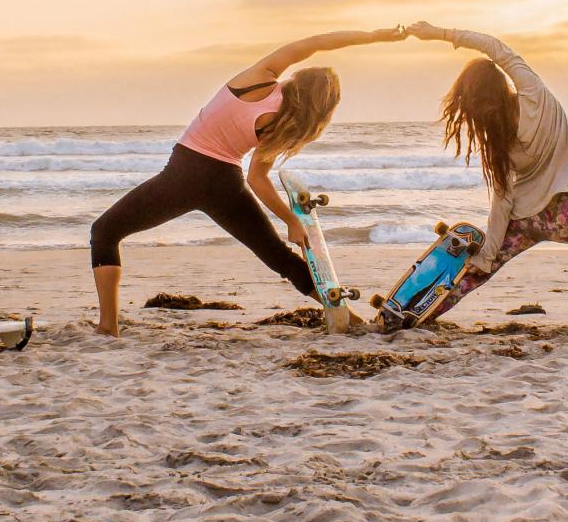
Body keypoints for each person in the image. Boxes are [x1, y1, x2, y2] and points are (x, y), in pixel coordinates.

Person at [87, 26, 405, 335]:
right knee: (279, 258)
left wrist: (374, 36)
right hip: (226, 183)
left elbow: (317, 41)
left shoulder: (261, 77)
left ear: (300, 79)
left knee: (105, 232)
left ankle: (108, 326)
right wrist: (290, 220)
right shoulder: (285, 123)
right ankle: (349, 318)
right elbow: (256, 178)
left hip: (185, 174)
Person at [404, 21, 568, 319]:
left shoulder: (498, 141)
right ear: (500, 86)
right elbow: (496, 47)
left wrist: (487, 255)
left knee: (474, 275)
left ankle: (417, 317)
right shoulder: (535, 94)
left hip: (526, 222)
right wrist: (441, 34)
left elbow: (502, 200)